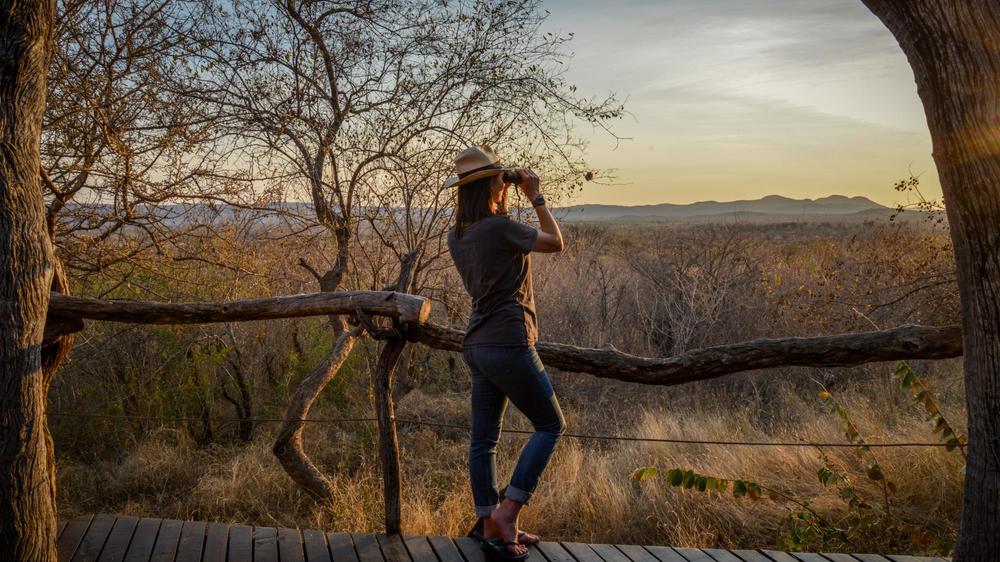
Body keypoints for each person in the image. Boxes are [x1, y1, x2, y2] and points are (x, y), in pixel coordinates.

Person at [444, 145, 567, 561]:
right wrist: (535, 195)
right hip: (509, 341)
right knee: (551, 424)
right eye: (501, 178)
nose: (506, 182)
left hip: (476, 344)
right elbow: (555, 242)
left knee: (484, 440)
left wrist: (503, 194)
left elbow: (498, 241)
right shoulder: (500, 229)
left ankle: (487, 521)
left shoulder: (458, 233)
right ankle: (509, 512)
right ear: (491, 185)